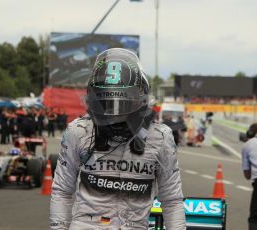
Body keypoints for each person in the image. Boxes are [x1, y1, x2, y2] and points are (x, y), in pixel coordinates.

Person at [50, 48, 186, 229]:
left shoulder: (160, 137)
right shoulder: (79, 131)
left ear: (142, 100)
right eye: (107, 105)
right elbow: (62, 190)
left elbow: (172, 200)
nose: (115, 116)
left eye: (122, 105)